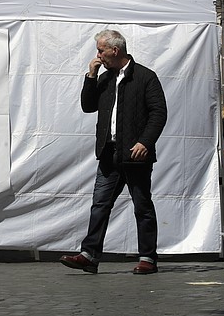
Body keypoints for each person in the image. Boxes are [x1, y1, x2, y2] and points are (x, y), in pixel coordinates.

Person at [60, 29, 167, 275]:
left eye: (101, 50)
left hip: (135, 154)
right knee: (100, 205)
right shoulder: (105, 78)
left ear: (115, 50)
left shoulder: (145, 77)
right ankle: (89, 255)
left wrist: (145, 142)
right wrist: (90, 75)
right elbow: (88, 106)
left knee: (142, 206)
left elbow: (158, 113)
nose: (98, 55)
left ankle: (148, 258)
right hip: (109, 154)